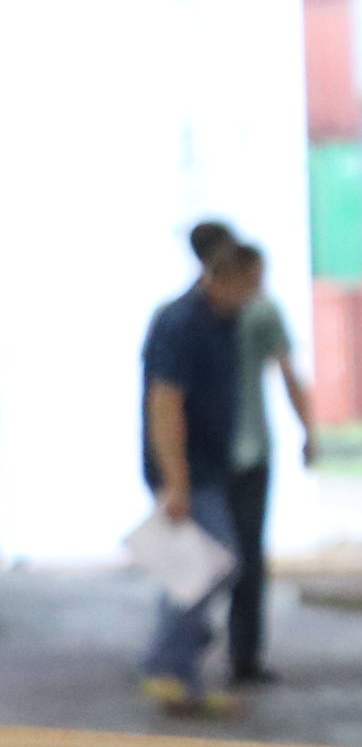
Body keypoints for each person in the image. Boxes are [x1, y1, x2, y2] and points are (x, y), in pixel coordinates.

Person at [138, 230, 263, 715]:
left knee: (203, 564)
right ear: (222, 281)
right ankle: (167, 663)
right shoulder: (182, 323)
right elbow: (165, 403)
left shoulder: (224, 321)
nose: (255, 295)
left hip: (209, 465)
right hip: (187, 469)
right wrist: (176, 480)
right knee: (211, 560)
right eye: (249, 285)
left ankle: (175, 658)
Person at [216, 238, 316, 689]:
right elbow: (290, 374)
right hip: (238, 451)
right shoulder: (232, 313)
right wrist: (309, 428)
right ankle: (236, 652)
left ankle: (233, 650)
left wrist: (310, 427)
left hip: (238, 451)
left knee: (238, 556)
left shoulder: (245, 312)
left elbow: (288, 374)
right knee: (242, 556)